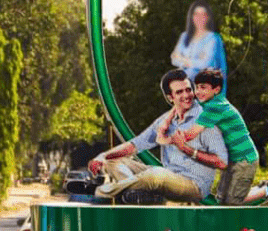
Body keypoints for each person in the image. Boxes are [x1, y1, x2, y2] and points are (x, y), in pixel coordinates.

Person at [88, 69, 228, 204]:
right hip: (167, 176)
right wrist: (102, 157)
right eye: (179, 92)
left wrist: (191, 151)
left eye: (188, 90)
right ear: (170, 97)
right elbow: (135, 145)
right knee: (112, 160)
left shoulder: (204, 120)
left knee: (156, 174)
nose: (186, 95)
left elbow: (222, 161)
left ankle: (98, 191)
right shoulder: (166, 121)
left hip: (194, 184)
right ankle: (138, 193)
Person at [171, 68, 258, 205]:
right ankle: (260, 191)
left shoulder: (215, 107)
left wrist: (173, 138)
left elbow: (191, 134)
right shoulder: (211, 102)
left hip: (244, 159)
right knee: (221, 199)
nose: (198, 91)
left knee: (232, 202)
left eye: (203, 87)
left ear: (216, 90)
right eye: (197, 87)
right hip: (232, 159)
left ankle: (267, 190)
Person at [171, 0, 228, 93]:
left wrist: (183, 59)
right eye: (196, 14)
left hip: (206, 89)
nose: (199, 18)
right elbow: (174, 59)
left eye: (203, 15)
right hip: (185, 88)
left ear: (208, 17)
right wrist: (195, 61)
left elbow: (206, 64)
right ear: (191, 17)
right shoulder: (184, 36)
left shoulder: (213, 38)